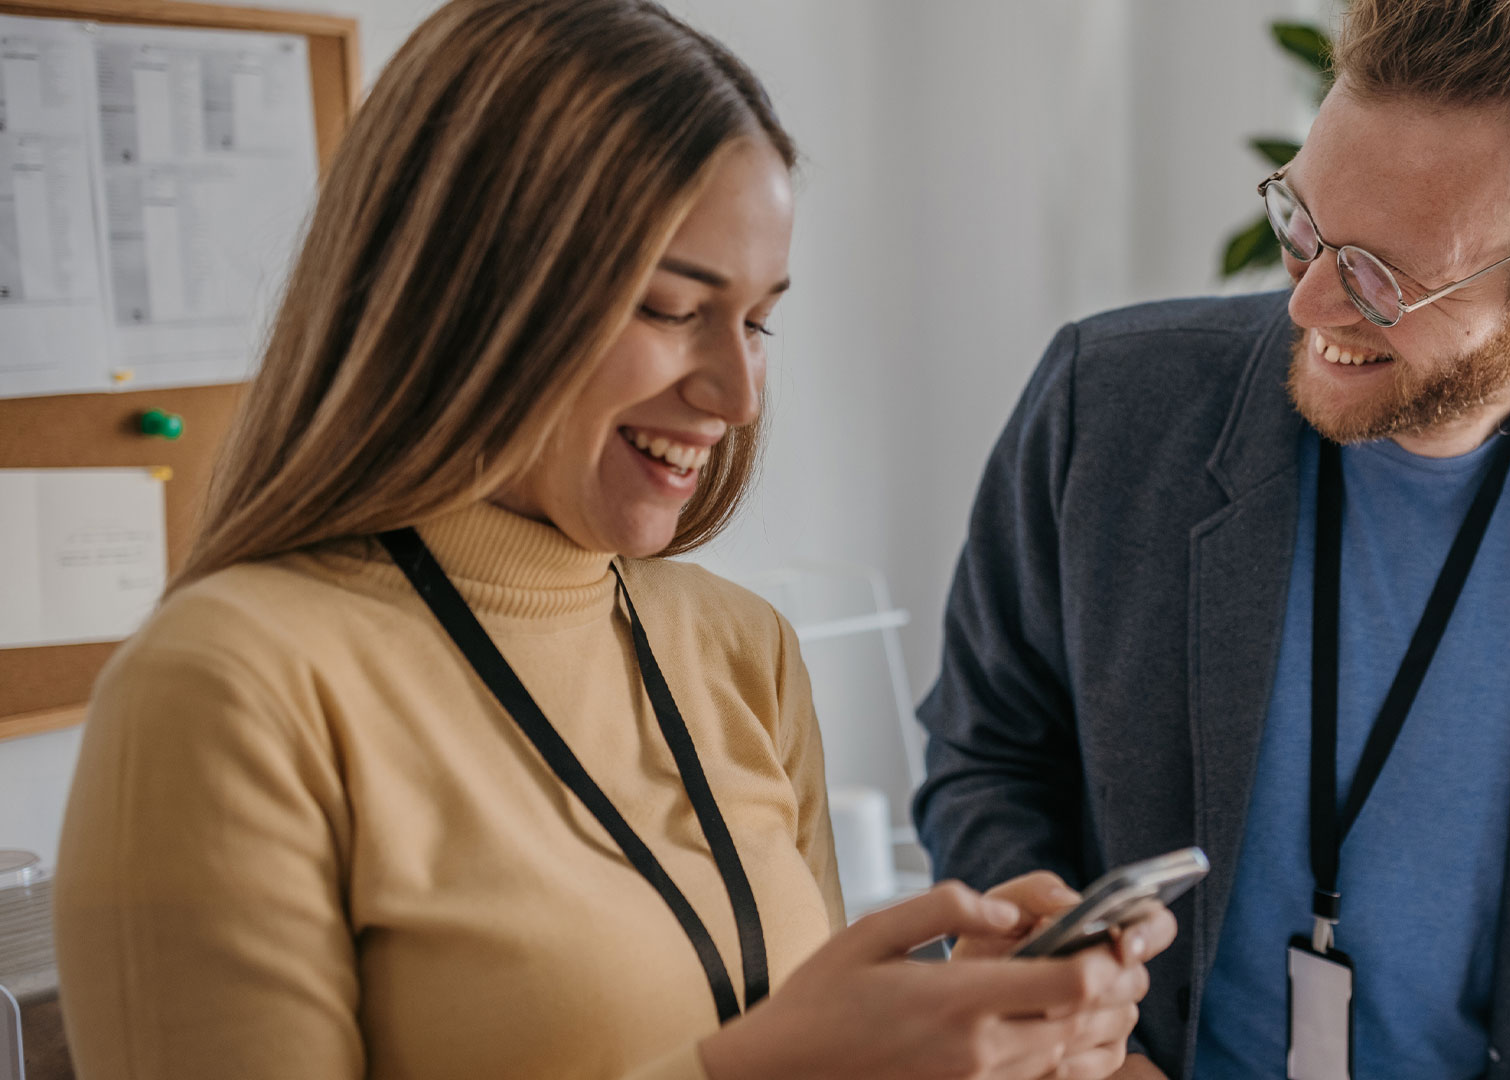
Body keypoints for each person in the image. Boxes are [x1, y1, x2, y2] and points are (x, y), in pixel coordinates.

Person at [53, 3, 1174, 1078]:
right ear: (472, 293)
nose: (737, 394)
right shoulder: (229, 685)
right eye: (671, 308)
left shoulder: (741, 651)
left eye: (759, 319)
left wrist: (969, 1045)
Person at [913, 1, 1510, 1077]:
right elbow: (988, 759)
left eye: (1382, 277)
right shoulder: (1103, 408)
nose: (1308, 301)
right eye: (1305, 223)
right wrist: (1078, 1048)